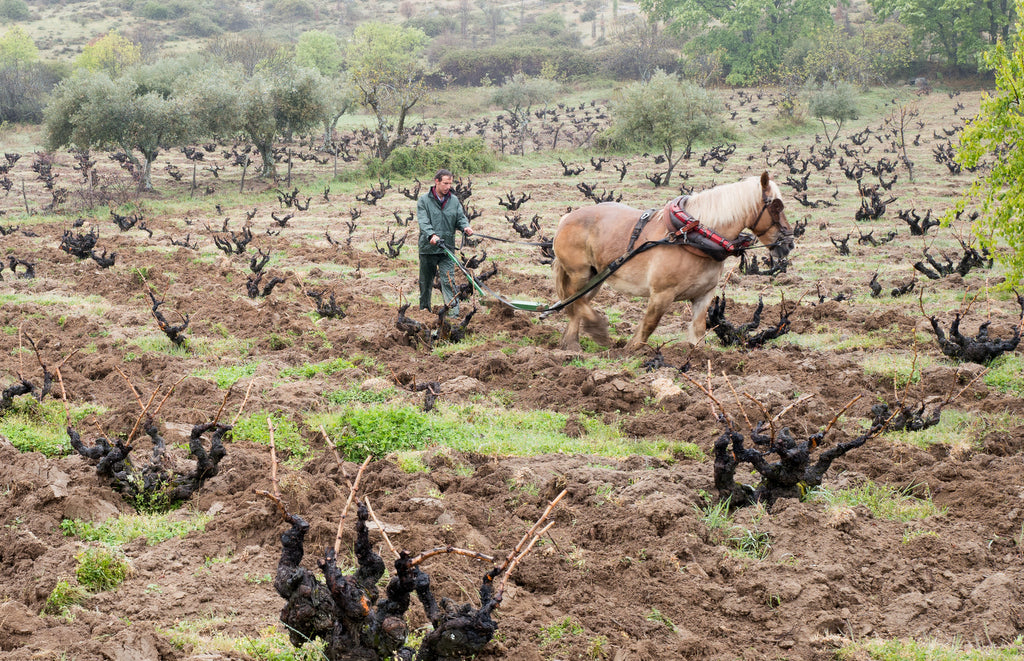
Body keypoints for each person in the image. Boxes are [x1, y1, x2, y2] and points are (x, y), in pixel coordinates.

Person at [417, 169, 473, 315]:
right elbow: (423, 221)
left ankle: (453, 314)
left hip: (446, 249)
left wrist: (465, 226)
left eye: (450, 183)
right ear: (437, 182)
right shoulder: (424, 200)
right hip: (428, 248)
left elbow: (460, 217)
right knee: (425, 283)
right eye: (445, 183)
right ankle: (424, 312)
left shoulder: (454, 200)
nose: (448, 186)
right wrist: (431, 235)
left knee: (448, 281)